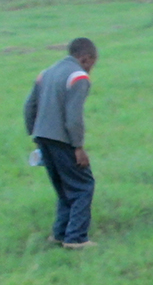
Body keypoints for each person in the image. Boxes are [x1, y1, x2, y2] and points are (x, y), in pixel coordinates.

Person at [24, 38, 101, 249]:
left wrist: (36, 135)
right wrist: (78, 147)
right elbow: (73, 118)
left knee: (64, 188)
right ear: (85, 58)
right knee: (83, 186)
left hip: (42, 138)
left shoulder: (46, 73)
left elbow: (29, 107)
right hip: (63, 140)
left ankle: (59, 234)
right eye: (92, 63)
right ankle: (76, 238)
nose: (91, 69)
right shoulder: (78, 77)